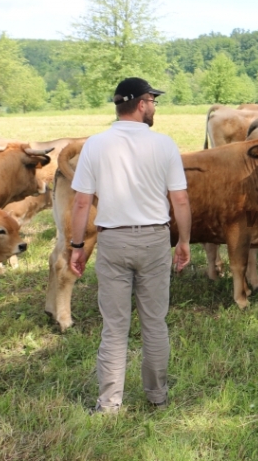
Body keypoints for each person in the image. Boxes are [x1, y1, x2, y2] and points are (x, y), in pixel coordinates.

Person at [68, 77, 192, 414]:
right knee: (154, 322)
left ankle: (109, 404)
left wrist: (77, 245)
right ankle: (157, 396)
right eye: (153, 100)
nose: (154, 107)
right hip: (154, 240)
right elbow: (179, 200)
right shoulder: (164, 145)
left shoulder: (95, 144)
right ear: (141, 103)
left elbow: (82, 203)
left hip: (112, 241)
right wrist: (183, 241)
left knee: (115, 327)